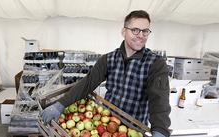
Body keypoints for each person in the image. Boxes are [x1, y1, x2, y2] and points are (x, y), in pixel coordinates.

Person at [40, 10, 171, 137]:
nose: (141, 35)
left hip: (134, 128)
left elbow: (159, 100)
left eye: (145, 31)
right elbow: (87, 83)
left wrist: (160, 131)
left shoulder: (156, 63)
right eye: (135, 30)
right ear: (124, 31)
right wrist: (60, 105)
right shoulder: (109, 59)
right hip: (106, 123)